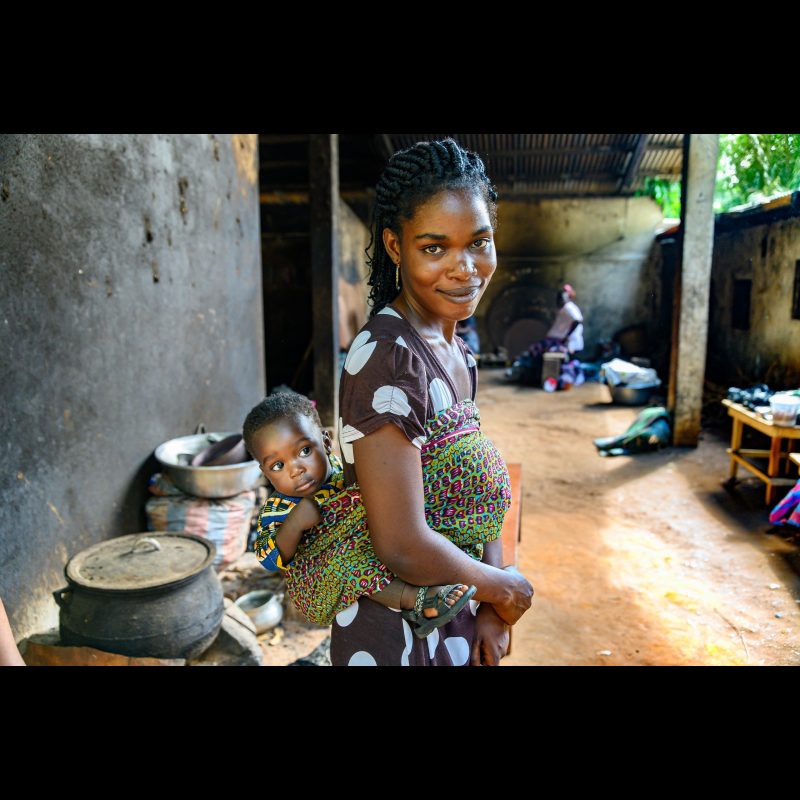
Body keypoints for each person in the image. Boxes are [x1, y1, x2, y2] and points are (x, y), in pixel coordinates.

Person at [329, 138, 534, 666]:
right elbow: (401, 545)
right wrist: (501, 588)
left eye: (480, 243)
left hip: (459, 609)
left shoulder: (459, 355)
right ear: (396, 247)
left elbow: (473, 493)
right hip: (398, 632)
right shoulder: (387, 358)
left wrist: (491, 600)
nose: (465, 269)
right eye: (435, 248)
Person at [243, 391, 476, 639]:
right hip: (320, 582)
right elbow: (267, 559)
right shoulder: (277, 509)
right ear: (265, 473)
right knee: (345, 562)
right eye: (277, 466)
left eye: (304, 451)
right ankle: (420, 601)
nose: (295, 470)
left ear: (326, 440)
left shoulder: (345, 471)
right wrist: (294, 524)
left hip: (369, 549)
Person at [545, 284, 584, 356]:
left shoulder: (569, 307)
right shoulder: (564, 308)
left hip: (570, 343)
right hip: (560, 340)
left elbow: (577, 320)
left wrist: (566, 337)